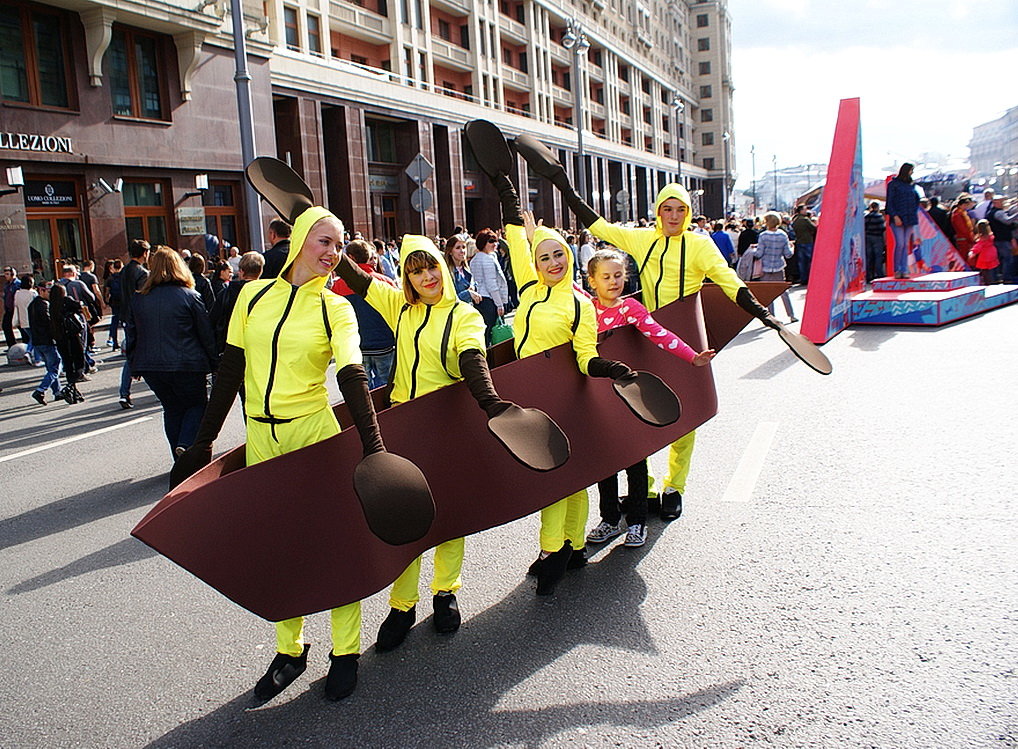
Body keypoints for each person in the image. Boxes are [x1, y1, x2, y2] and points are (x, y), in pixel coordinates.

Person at [171, 203, 408, 703]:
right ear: (300, 240)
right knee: (279, 546)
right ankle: (290, 650)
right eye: (325, 241)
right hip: (261, 438)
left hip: (315, 438)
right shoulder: (252, 295)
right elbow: (230, 370)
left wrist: (375, 448)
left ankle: (345, 652)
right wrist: (203, 443)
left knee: (334, 543)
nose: (333, 252)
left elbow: (351, 373)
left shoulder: (335, 307)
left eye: (340, 244)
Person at [518, 138, 781, 525]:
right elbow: (598, 225)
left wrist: (759, 311)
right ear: (658, 212)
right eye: (667, 209)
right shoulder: (645, 239)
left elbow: (728, 280)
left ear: (688, 213)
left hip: (683, 336)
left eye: (680, 210)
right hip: (639, 332)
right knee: (638, 412)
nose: (673, 216)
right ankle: (647, 487)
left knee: (686, 416)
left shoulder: (700, 244)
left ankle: (674, 487)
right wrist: (562, 183)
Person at [333, 233, 534, 648]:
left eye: (430, 268)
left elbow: (472, 358)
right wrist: (322, 239)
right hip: (403, 427)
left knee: (448, 517)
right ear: (406, 276)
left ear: (441, 267)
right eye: (416, 270)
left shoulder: (464, 315)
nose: (427, 277)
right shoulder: (398, 306)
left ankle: (446, 594)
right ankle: (402, 606)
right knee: (406, 517)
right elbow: (355, 275)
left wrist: (490, 402)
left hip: (447, 426)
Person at [482, 157, 656, 595]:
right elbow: (516, 245)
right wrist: (506, 190)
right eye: (544, 256)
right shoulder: (528, 289)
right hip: (529, 398)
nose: (552, 260)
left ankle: (556, 550)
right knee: (552, 479)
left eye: (558, 252)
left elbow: (585, 354)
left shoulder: (578, 302)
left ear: (568, 255)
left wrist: (609, 367)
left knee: (565, 478)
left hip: (565, 398)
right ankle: (571, 546)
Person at [584, 249, 715, 549]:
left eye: (618, 275)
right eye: (605, 277)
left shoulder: (631, 309)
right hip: (601, 399)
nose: (613, 281)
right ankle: (609, 519)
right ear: (593, 280)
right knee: (606, 463)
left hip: (630, 397)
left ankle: (638, 522)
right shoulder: (584, 308)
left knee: (635, 459)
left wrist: (692, 356)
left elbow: (659, 334)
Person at [129, 248, 217, 457]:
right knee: (196, 405)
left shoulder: (141, 298)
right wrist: (214, 362)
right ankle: (185, 445)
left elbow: (132, 332)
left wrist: (133, 363)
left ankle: (177, 452)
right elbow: (205, 332)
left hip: (151, 365)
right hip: (186, 362)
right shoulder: (189, 295)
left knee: (172, 408)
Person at [331, 240, 396, 389]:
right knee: (387, 385)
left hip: (357, 345)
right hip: (384, 343)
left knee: (363, 387)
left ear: (351, 258)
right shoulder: (385, 281)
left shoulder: (338, 285)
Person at [210, 251, 264, 361]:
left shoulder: (227, 293)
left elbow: (213, 319)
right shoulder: (268, 293)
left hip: (231, 347)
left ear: (242, 272)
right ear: (260, 271)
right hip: (260, 349)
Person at [119, 240, 151, 409]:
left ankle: (124, 393)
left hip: (126, 316)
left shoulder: (124, 270)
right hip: (140, 318)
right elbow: (143, 297)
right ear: (144, 253)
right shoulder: (142, 273)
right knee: (146, 353)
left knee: (132, 354)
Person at [750, 213, 796, 322]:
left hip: (765, 267)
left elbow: (759, 254)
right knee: (783, 292)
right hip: (779, 266)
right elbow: (788, 254)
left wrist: (752, 250)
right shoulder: (783, 235)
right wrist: (792, 248)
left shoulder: (763, 236)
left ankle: (772, 316)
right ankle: (791, 315)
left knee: (768, 293)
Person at [48, 282, 88, 404]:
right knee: (78, 361)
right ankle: (70, 388)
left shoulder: (52, 305)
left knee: (68, 363)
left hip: (60, 338)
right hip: (72, 337)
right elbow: (79, 305)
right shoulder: (66, 301)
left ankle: (74, 390)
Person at [469, 228, 509, 346]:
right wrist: (499, 304)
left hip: (479, 299)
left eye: (495, 241)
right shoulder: (487, 259)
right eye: (491, 241)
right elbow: (491, 284)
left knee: (484, 332)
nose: (495, 244)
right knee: (493, 332)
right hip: (489, 300)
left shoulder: (475, 259)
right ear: (483, 243)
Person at [28, 282, 62, 405]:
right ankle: (41, 390)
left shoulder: (32, 304)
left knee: (50, 367)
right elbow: (49, 324)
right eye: (48, 291)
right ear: (41, 291)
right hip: (46, 341)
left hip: (37, 341)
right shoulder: (44, 305)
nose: (50, 294)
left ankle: (57, 392)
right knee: (55, 367)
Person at [886, 163, 921, 279]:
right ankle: (897, 269)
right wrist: (894, 215)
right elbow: (889, 202)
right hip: (898, 217)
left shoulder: (911, 185)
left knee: (905, 244)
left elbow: (916, 200)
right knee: (900, 243)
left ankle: (904, 269)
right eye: (911, 170)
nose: (912, 172)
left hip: (909, 217)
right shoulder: (893, 184)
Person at [986, 194, 1018, 284]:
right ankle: (1006, 278)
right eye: (1001, 201)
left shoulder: (991, 212)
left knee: (998, 260)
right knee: (1008, 259)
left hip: (997, 239)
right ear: (996, 202)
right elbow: (1007, 221)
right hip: (1002, 240)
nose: (1003, 203)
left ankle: (996, 278)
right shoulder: (998, 212)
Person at [443, 235, 481, 305]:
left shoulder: (466, 269)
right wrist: (468, 294)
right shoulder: (447, 272)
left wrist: (473, 287)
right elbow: (450, 301)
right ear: (450, 252)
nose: (462, 251)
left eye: (464, 247)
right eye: (458, 248)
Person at [11, 275, 39, 364]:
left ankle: (33, 355)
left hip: (23, 320)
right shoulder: (33, 293)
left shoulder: (17, 293)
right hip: (33, 320)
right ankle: (31, 353)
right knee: (35, 339)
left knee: (32, 338)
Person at [791, 205, 817, 284]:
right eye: (805, 209)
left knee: (801, 262)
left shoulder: (795, 220)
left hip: (799, 242)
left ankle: (803, 278)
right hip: (808, 241)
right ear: (801, 210)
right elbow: (814, 228)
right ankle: (810, 278)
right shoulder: (805, 220)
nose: (806, 211)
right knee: (809, 261)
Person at [967, 220, 998, 285]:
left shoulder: (982, 238)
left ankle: (988, 283)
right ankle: (994, 281)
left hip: (985, 255)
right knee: (992, 269)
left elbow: (978, 246)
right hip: (992, 252)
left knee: (985, 270)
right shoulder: (990, 236)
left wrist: (972, 252)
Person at [103, 259, 124, 349]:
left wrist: (106, 300)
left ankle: (114, 342)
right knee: (125, 321)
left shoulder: (110, 278)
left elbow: (107, 291)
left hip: (114, 301)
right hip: (123, 301)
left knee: (114, 321)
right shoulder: (123, 277)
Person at [864, 202, 887, 283]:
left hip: (868, 238)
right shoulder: (880, 217)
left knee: (869, 257)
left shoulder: (866, 217)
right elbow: (882, 229)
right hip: (877, 238)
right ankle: (879, 275)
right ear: (877, 207)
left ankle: (868, 275)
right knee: (878, 257)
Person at [951, 194, 977, 259]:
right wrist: (970, 237)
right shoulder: (957, 214)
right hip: (963, 239)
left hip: (965, 238)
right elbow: (962, 228)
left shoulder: (961, 213)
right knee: (964, 256)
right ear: (963, 204)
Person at [3, 266, 22, 348]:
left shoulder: (18, 284)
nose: (6, 276)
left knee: (21, 327)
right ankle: (12, 345)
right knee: (6, 326)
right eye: (5, 274)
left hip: (16, 309)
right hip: (9, 309)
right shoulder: (6, 285)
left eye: (7, 274)